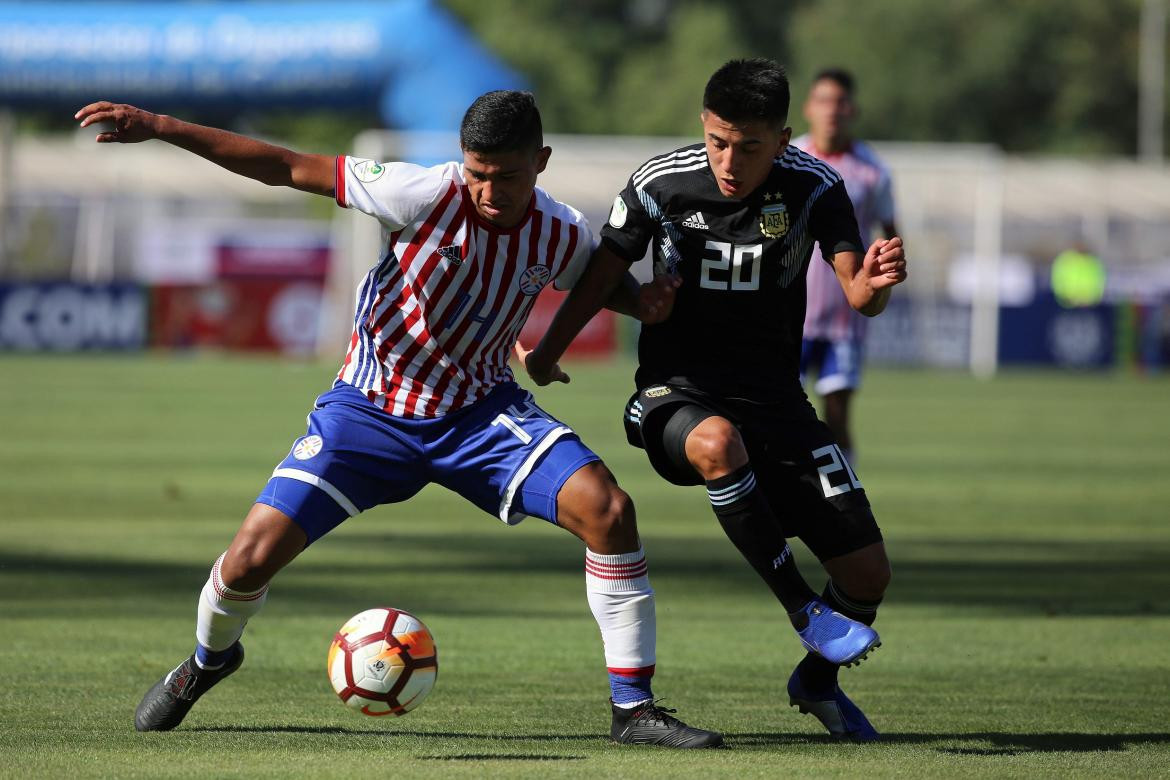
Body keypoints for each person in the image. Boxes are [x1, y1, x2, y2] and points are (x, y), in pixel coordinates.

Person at [74, 91, 723, 748]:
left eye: (507, 175)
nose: (489, 190)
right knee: (245, 562)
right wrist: (160, 126)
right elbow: (284, 166)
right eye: (478, 172)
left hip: (478, 414)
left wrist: (646, 303)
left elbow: (600, 283)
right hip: (368, 414)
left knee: (608, 510)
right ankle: (209, 661)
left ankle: (633, 708)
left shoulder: (559, 231)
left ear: (542, 162)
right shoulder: (420, 193)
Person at [521, 59, 907, 741]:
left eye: (750, 147)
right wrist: (547, 354)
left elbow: (858, 296)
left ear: (783, 140)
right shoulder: (658, 183)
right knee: (716, 441)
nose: (730, 161)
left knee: (868, 574)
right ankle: (801, 609)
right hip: (674, 395)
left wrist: (875, 283)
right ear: (704, 125)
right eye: (719, 142)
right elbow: (601, 277)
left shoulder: (817, 190)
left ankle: (815, 681)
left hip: (778, 403)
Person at [793, 68, 898, 463]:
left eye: (839, 102)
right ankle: (789, 493)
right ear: (808, 108)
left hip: (844, 319)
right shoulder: (790, 159)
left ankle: (846, 498)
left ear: (851, 109)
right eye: (823, 101)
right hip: (793, 313)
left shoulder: (873, 172)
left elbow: (889, 238)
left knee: (836, 413)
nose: (831, 111)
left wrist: (880, 281)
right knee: (783, 412)